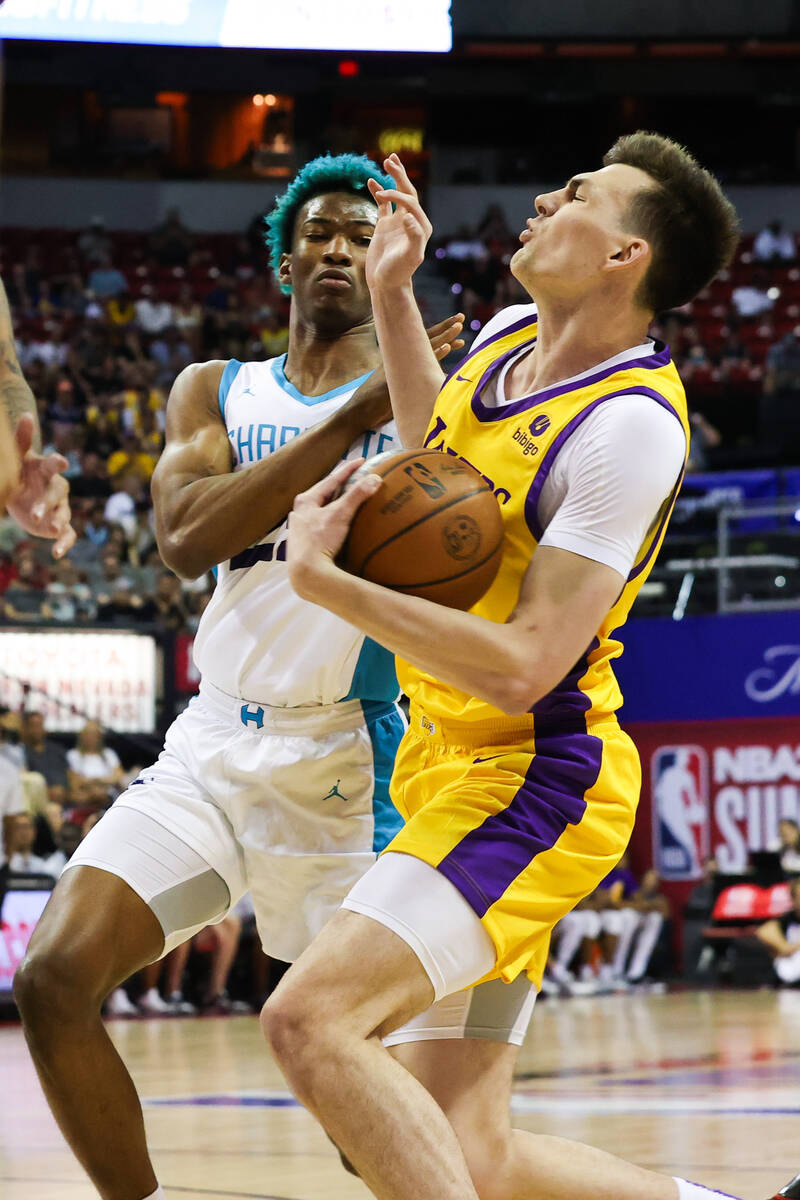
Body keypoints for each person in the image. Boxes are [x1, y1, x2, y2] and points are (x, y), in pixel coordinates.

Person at [267, 138, 778, 1200]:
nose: (545, 197)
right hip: (443, 763)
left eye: (579, 194)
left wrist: (326, 584)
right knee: (469, 1155)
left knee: (311, 1022)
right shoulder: (502, 339)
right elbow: (435, 463)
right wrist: (392, 295)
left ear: (623, 254)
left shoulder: (626, 428)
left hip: (534, 780)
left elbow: (525, 665)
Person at [13, 153, 464, 1200]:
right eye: (320, 232)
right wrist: (341, 431)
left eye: (360, 234)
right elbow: (183, 537)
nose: (340, 249)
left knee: (358, 1109)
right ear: (283, 258)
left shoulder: (414, 396)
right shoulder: (213, 387)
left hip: (346, 756)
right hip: (211, 744)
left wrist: (373, 416)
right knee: (54, 980)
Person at [756, 876, 800, 986]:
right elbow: (763, 931)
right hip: (791, 969)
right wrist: (785, 947)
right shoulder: (787, 920)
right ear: (793, 898)